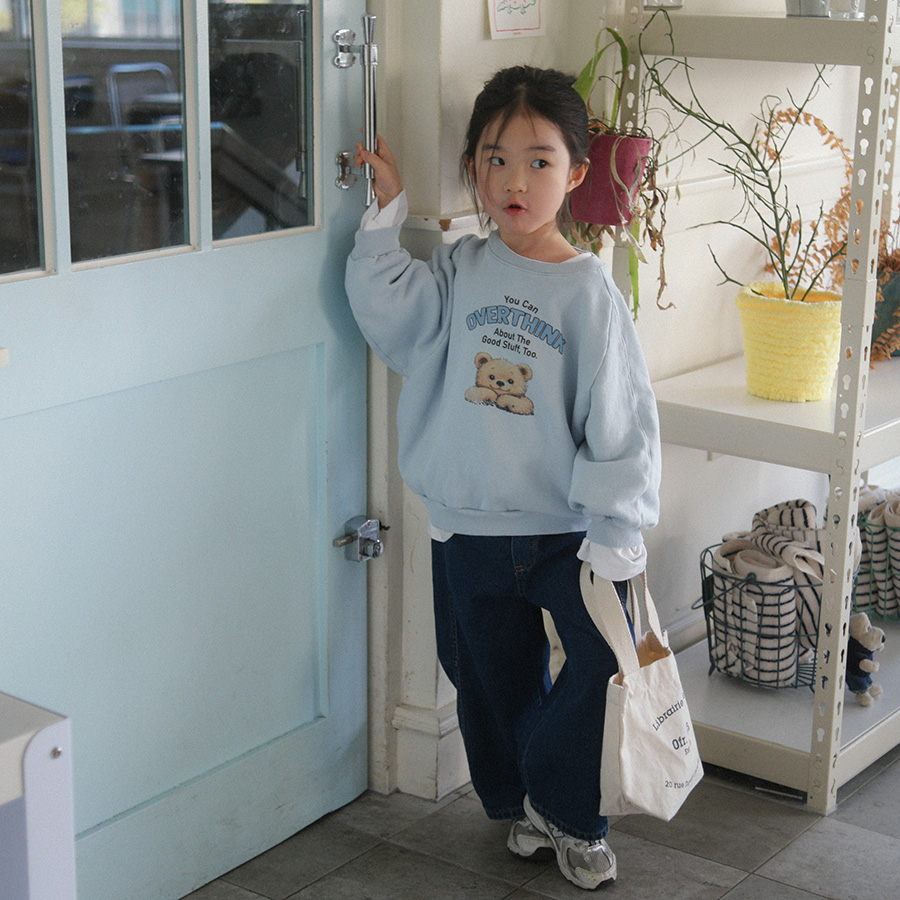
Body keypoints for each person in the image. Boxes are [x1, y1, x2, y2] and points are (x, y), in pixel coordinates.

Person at [345, 66, 661, 890]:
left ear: (577, 173)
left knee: (601, 663)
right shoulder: (461, 268)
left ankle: (571, 814)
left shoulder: (589, 293)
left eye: (538, 161)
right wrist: (385, 214)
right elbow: (397, 318)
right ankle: (532, 804)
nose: (514, 182)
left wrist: (618, 529)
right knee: (486, 680)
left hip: (568, 532)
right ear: (473, 169)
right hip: (470, 527)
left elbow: (622, 420)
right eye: (494, 160)